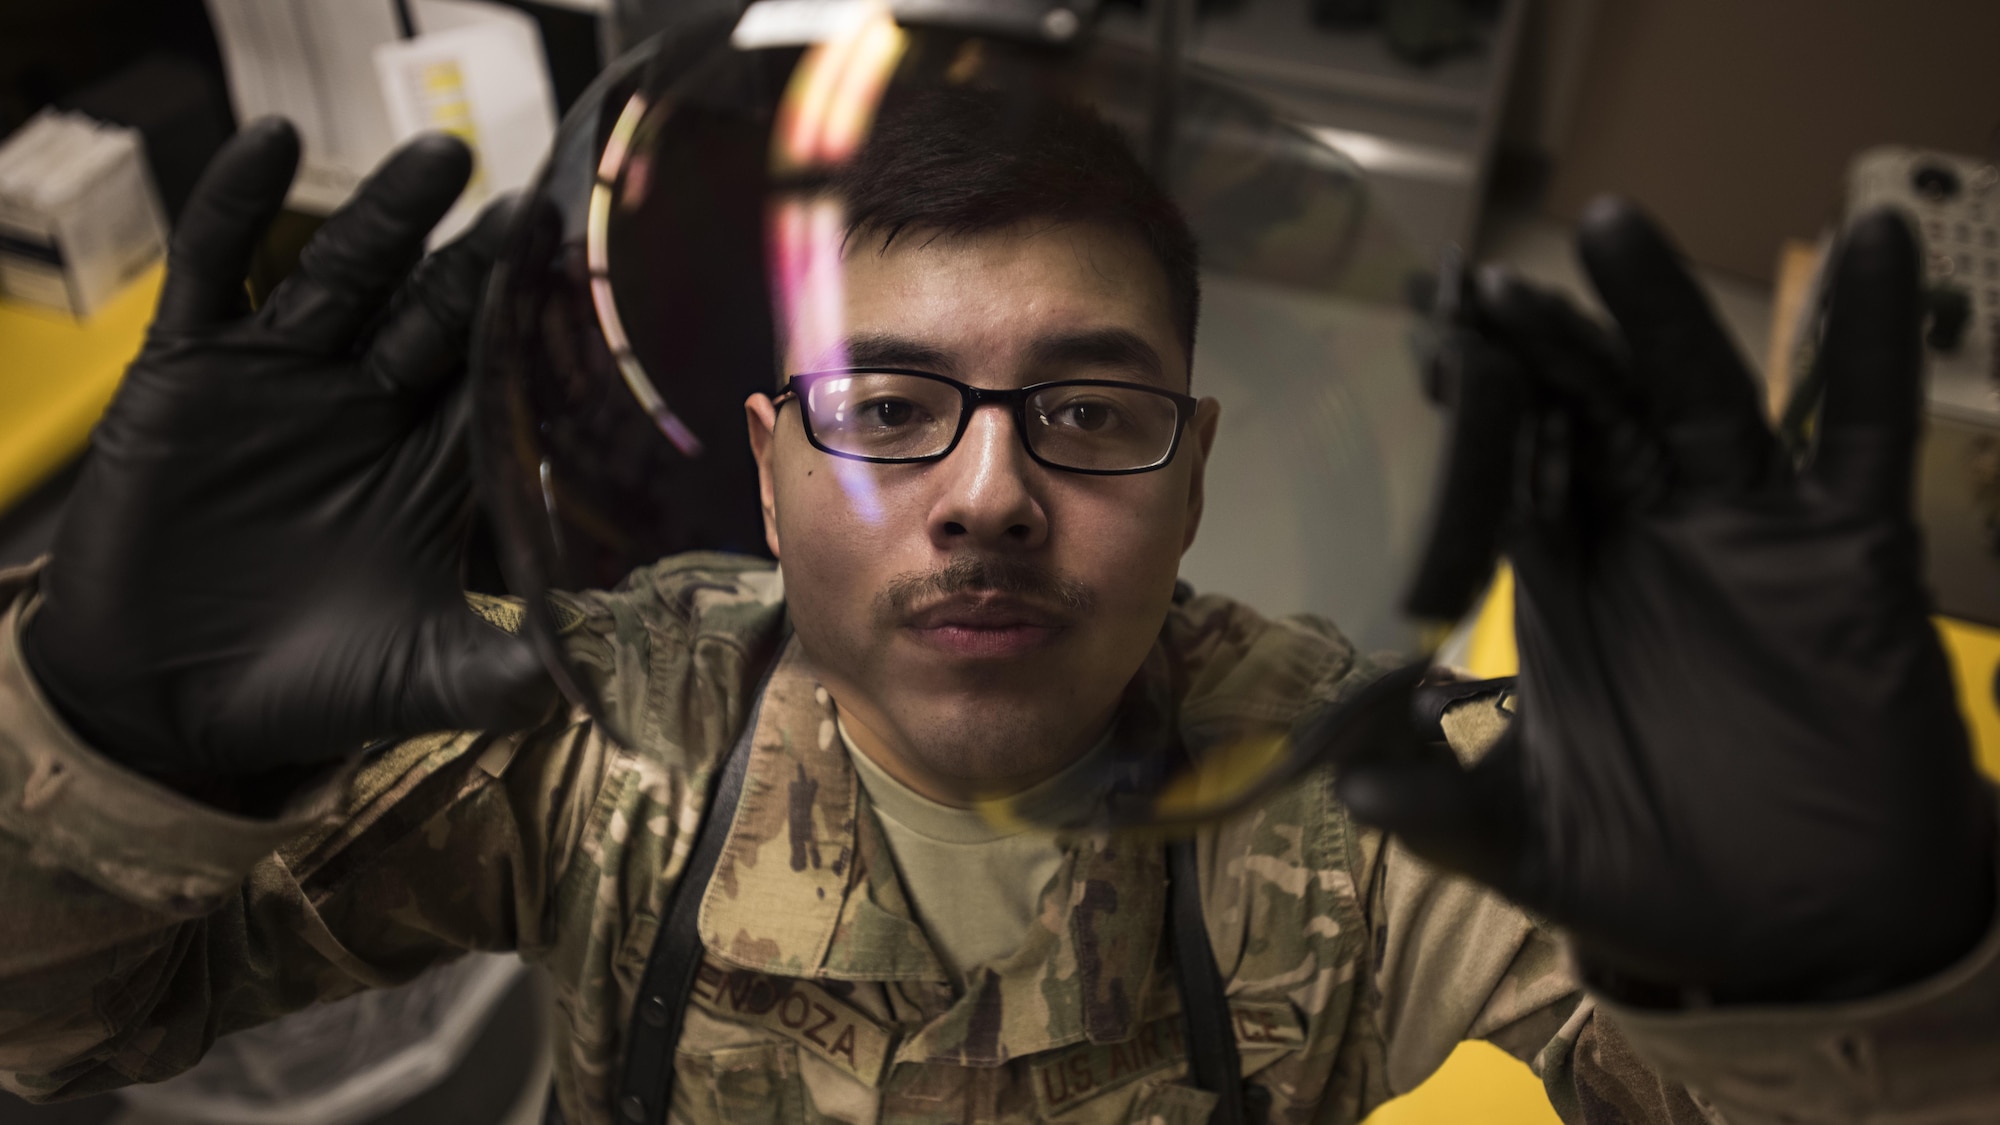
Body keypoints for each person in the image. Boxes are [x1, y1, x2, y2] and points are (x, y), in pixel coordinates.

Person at [1, 83, 1997, 1125]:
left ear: (1194, 467)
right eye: (888, 407)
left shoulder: (1391, 809)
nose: (985, 496)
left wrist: (1850, 999)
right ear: (772, 470)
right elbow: (61, 1037)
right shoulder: (589, 736)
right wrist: (99, 744)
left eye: (1087, 407)